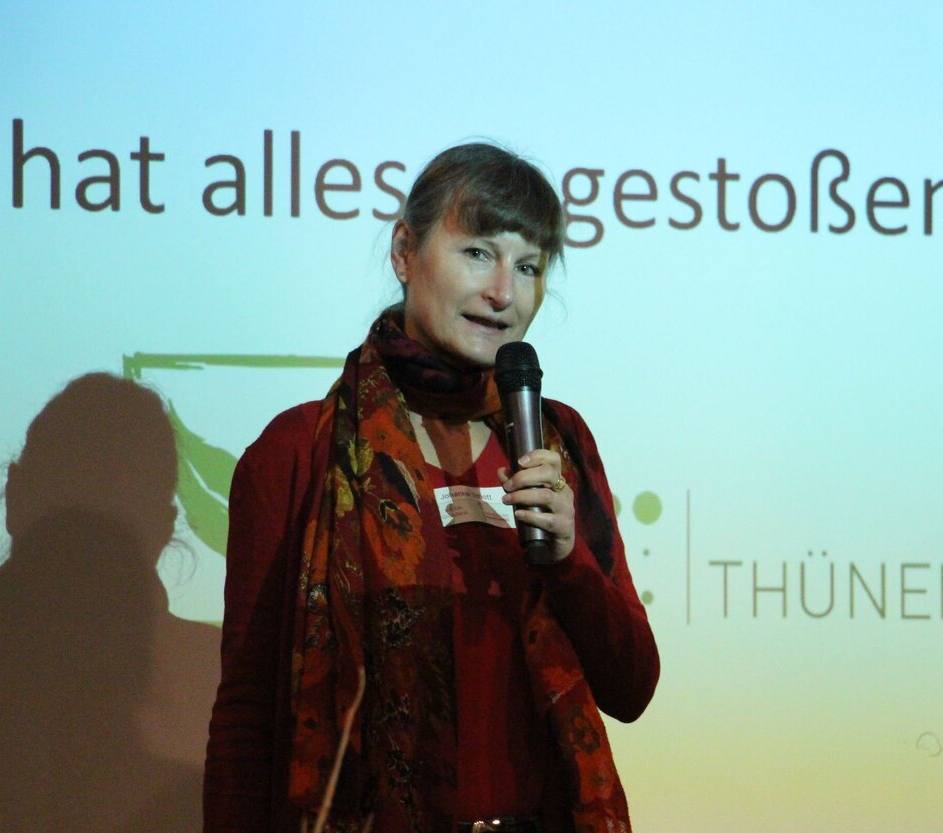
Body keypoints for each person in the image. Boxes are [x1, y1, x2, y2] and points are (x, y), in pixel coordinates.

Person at [204, 143, 659, 833]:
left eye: (529, 266)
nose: (504, 292)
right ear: (404, 253)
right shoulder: (299, 453)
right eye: (478, 252)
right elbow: (246, 719)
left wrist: (568, 558)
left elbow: (632, 686)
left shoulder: (556, 443)